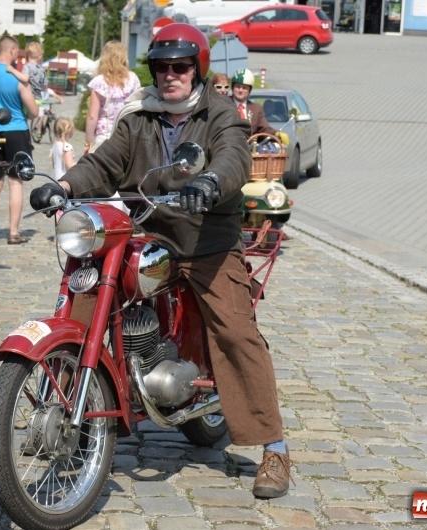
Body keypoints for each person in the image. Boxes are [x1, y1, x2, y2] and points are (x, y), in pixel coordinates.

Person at [30, 23, 292, 499]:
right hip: (151, 234)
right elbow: (105, 161)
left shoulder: (220, 113)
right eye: (162, 66)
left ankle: (274, 447)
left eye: (181, 66)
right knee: (87, 295)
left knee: (236, 331)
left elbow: (233, 159)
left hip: (207, 242)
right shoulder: (140, 116)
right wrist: (63, 186)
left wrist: (210, 183)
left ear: (198, 68)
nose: (171, 74)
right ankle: (69, 407)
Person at [0, 35, 39, 245]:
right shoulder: (17, 78)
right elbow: (33, 111)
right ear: (13, 50)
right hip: (16, 131)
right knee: (16, 182)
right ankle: (13, 233)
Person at [83, 40, 141, 155]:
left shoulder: (99, 81)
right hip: (127, 134)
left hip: (104, 137)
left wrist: (88, 143)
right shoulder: (133, 79)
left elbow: (92, 116)